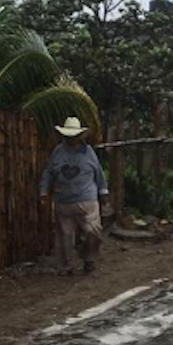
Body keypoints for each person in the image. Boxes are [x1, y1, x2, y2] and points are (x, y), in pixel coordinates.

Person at [40, 117, 109, 276]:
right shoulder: (57, 152)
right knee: (64, 236)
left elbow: (99, 173)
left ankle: (88, 257)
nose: (71, 138)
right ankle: (66, 267)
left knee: (93, 231)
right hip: (63, 201)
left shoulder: (89, 152)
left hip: (87, 199)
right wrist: (43, 191)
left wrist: (103, 192)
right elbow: (48, 172)